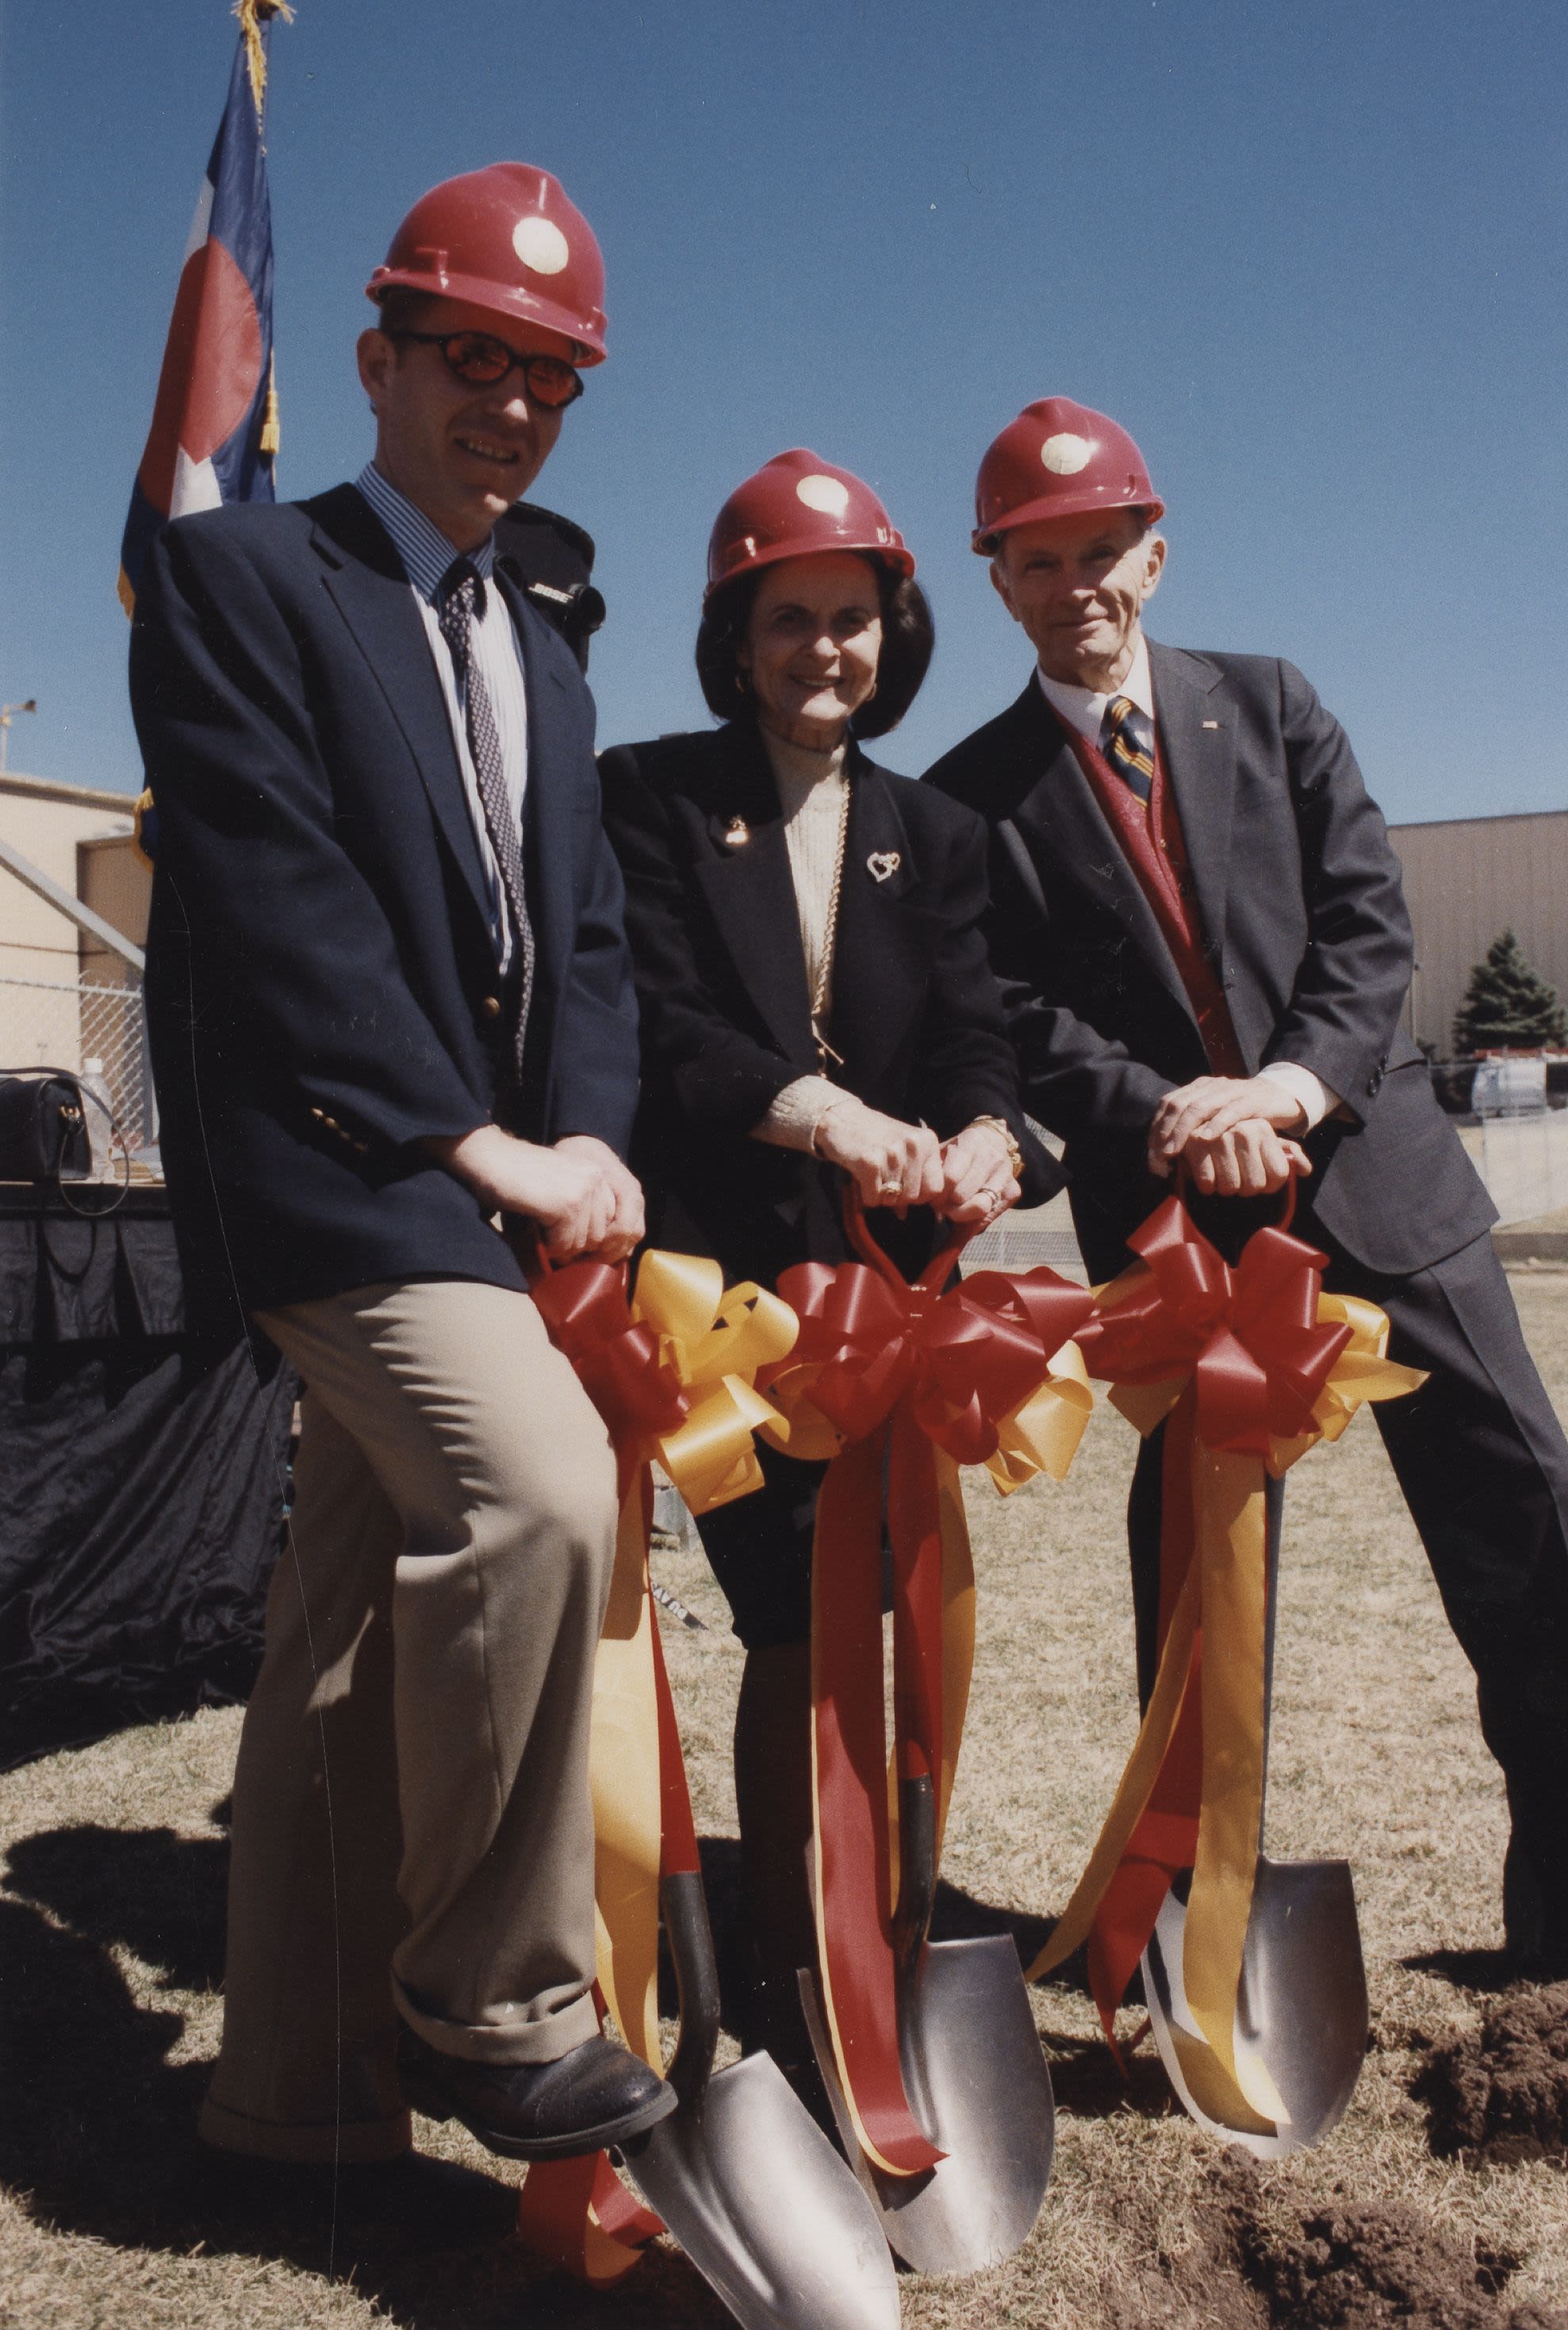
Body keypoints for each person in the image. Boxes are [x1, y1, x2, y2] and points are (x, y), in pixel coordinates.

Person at [927, 396, 1568, 2001]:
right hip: (1182, 1244)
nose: (1075, 581)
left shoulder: (1270, 705)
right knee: (1198, 1605)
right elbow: (1012, 1015)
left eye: (1101, 549)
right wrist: (1169, 1113)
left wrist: (1286, 1092)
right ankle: (1183, 1945)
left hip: (1379, 1196)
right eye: (1039, 559)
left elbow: (1366, 924)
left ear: (1153, 555)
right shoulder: (971, 798)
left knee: (1523, 1525)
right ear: (997, 582)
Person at [129, 162, 680, 2171]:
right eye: (472, 358)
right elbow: (280, 908)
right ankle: (495, 2002)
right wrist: (481, 1150)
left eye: (551, 378)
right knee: (539, 1502)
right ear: (374, 359)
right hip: (343, 1181)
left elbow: (589, 937)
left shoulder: (539, 647)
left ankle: (287, 2098)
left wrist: (593, 1140)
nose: (510, 406)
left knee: (342, 1638)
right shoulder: (241, 577)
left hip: (495, 1187)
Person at [599, 448, 1045, 2080]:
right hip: (725, 1302)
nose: (822, 653)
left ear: (892, 634)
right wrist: (825, 1118)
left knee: (907, 1620)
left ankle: (896, 1936)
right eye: (787, 620)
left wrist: (988, 1136)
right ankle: (797, 1958)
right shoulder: (644, 795)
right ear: (734, 635)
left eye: (850, 621)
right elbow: (660, 1023)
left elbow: (979, 1030)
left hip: (895, 1306)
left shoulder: (932, 832)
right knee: (792, 1619)